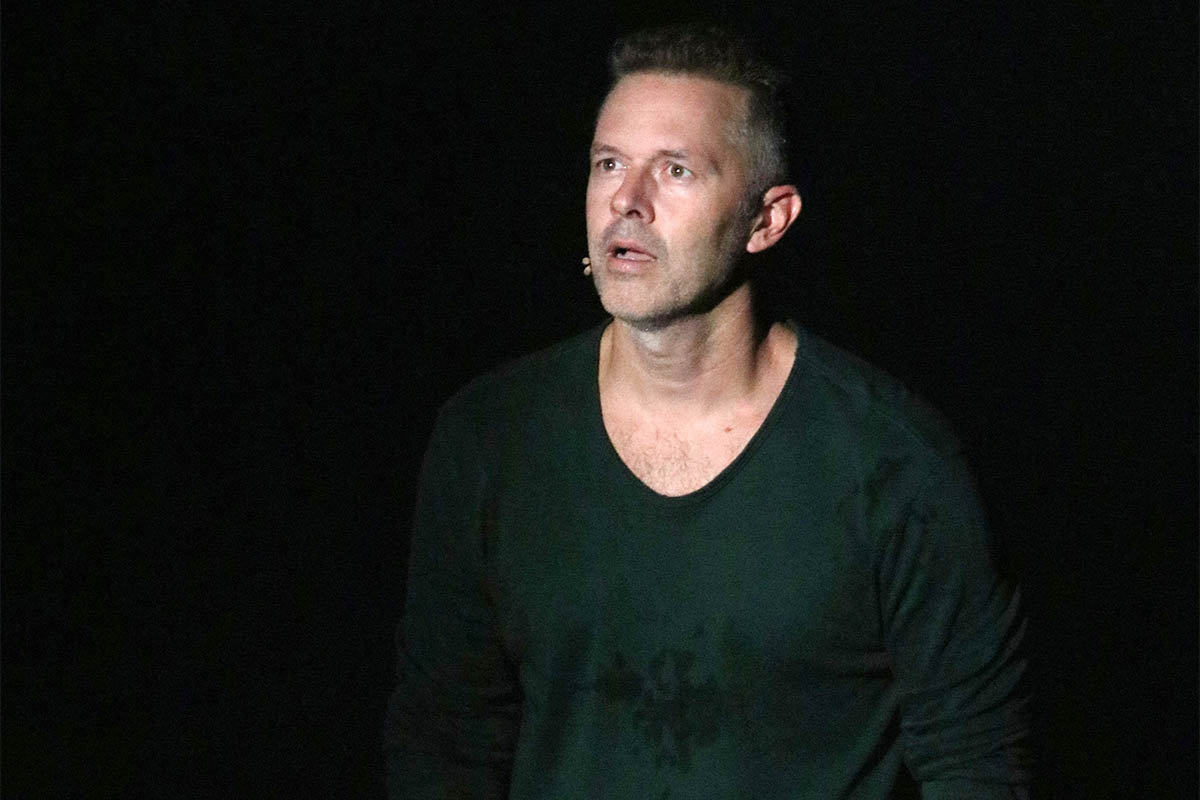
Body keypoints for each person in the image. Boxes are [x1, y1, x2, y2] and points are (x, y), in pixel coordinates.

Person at [385, 24, 1032, 799]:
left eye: (676, 170)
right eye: (609, 163)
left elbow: (976, 765)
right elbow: (445, 744)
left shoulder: (894, 466)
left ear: (768, 219)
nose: (627, 201)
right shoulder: (492, 437)